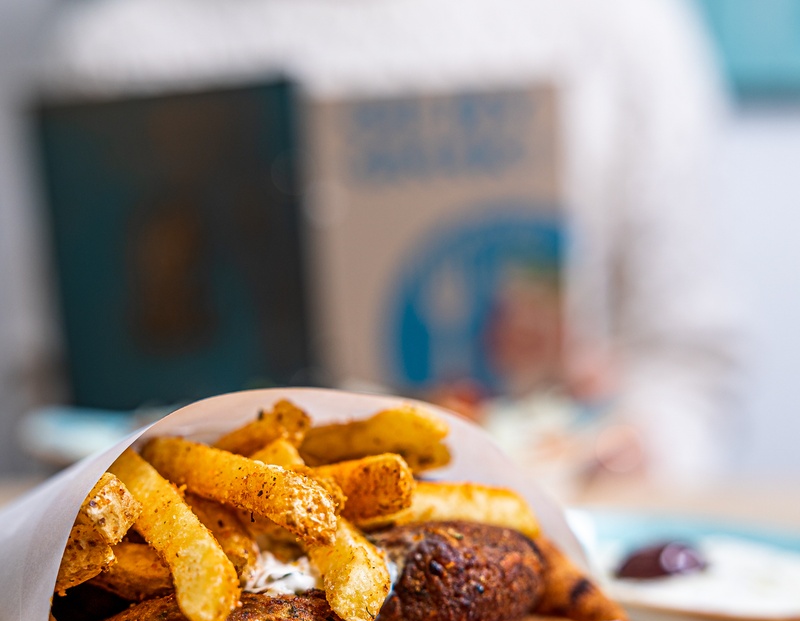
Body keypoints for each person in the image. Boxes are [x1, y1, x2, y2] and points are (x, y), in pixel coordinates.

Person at [27, 0, 739, 489]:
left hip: (549, 532)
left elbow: (692, 354)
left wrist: (643, 438)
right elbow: (34, 386)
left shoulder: (617, 27)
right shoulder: (106, 48)